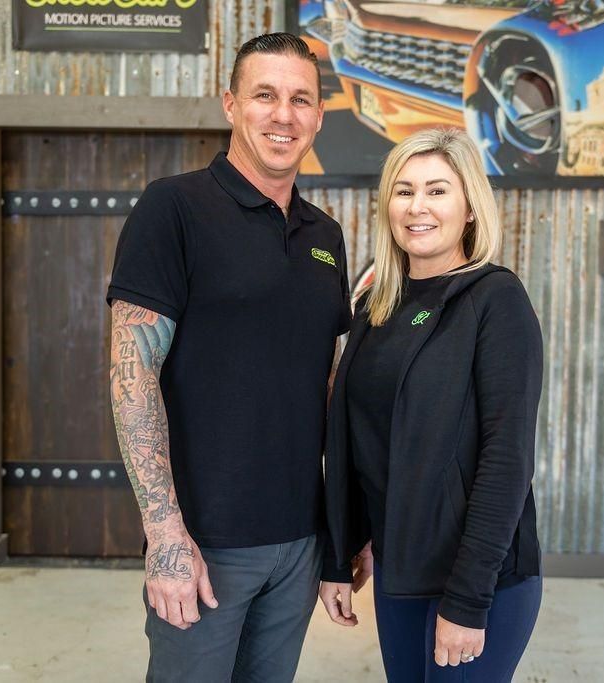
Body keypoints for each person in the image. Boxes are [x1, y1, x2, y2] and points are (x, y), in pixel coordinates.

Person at [106, 33, 352, 682]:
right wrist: (164, 533)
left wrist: (337, 532)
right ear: (230, 104)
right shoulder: (174, 208)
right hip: (204, 544)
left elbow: (323, 388)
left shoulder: (326, 237)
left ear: (319, 116)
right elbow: (132, 377)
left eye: (301, 99)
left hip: (299, 544)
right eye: (264, 94)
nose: (283, 114)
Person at [318, 128, 544, 682]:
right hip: (399, 569)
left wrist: (468, 600)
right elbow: (356, 441)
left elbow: (506, 459)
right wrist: (340, 555)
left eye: (437, 191)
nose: (417, 206)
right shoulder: (376, 306)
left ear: (469, 207)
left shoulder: (495, 299)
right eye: (404, 190)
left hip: (476, 579)